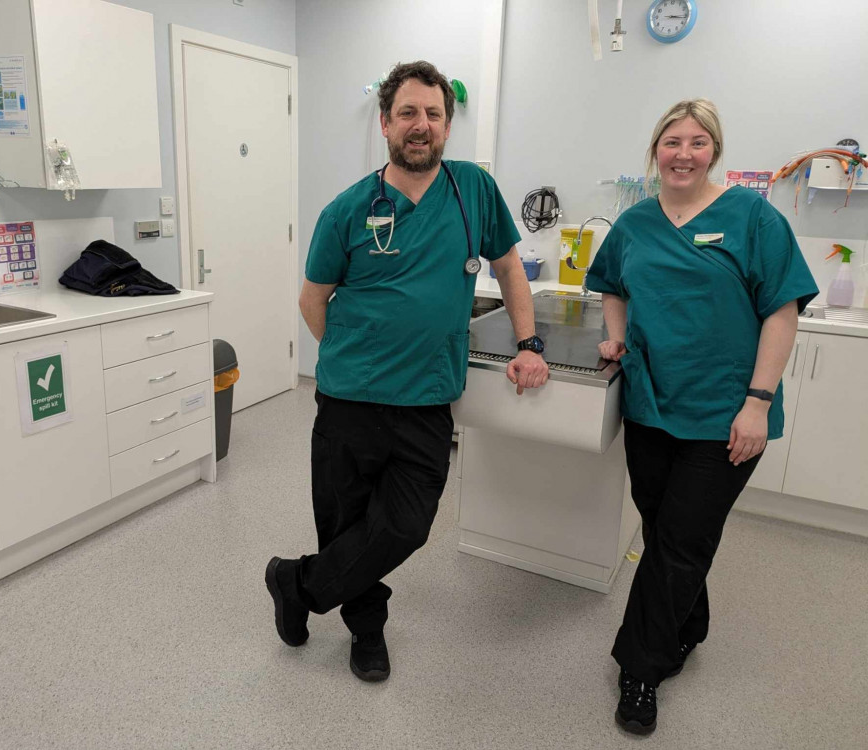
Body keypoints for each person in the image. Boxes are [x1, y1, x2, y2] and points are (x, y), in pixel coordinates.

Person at [265, 60, 550, 682]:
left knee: (406, 526)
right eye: (408, 114)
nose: (421, 125)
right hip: (349, 401)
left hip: (426, 401)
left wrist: (529, 341)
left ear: (447, 124)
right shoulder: (348, 209)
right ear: (385, 122)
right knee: (347, 522)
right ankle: (367, 632)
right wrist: (354, 354)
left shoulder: (472, 188)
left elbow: (508, 268)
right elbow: (314, 300)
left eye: (434, 114)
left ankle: (298, 583)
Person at [585, 99, 818, 734]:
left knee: (682, 539)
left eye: (697, 142)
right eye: (671, 141)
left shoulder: (753, 217)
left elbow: (782, 310)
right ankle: (691, 623)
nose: (683, 153)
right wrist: (616, 335)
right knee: (666, 530)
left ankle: (640, 667)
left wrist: (758, 403)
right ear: (654, 150)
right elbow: (611, 285)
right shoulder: (634, 223)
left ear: (714, 150)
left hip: (726, 415)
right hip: (652, 404)